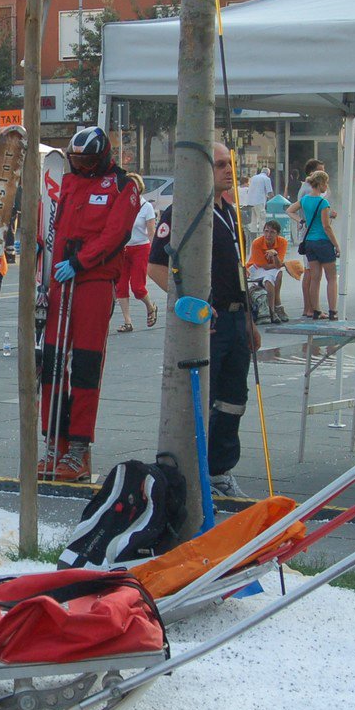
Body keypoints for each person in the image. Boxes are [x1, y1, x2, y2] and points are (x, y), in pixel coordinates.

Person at [148, 141, 260, 502]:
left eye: (231, 163)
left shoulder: (230, 211)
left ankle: (220, 471)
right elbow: (155, 268)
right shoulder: (183, 212)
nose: (229, 170)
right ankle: (195, 476)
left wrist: (249, 319)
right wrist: (191, 306)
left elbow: (239, 270)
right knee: (203, 402)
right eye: (221, 164)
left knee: (233, 399)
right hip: (206, 324)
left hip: (235, 318)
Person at [38, 126, 140, 481]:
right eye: (76, 160)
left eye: (87, 160)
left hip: (93, 281)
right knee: (49, 362)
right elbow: (51, 228)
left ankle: (79, 450)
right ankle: (54, 443)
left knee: (84, 365)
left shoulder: (123, 187)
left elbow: (117, 234)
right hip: (59, 281)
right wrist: (44, 275)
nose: (81, 166)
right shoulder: (67, 182)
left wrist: (81, 261)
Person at [289, 170, 339, 320]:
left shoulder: (304, 200)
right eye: (326, 183)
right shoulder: (323, 202)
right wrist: (336, 244)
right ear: (321, 183)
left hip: (309, 242)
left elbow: (289, 210)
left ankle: (316, 310)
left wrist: (301, 221)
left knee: (315, 277)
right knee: (331, 278)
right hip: (323, 242)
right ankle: (332, 311)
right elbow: (326, 226)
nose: (327, 187)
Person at [115, 179, 158, 333]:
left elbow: (151, 232)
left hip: (141, 248)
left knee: (138, 287)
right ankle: (127, 322)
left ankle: (150, 306)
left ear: (139, 188)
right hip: (124, 249)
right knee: (120, 286)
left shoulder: (146, 207)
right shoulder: (122, 204)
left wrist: (155, 253)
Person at [245, 220, 289, 323]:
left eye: (272, 232)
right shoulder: (257, 243)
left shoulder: (282, 242)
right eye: (266, 231)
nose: (268, 235)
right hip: (255, 268)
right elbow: (263, 266)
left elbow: (277, 265)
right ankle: (276, 307)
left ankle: (273, 309)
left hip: (271, 268)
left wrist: (275, 254)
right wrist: (280, 264)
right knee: (272, 276)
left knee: (276, 275)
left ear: (277, 234)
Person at [290, 158, 325, 243]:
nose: (323, 173)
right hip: (312, 232)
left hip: (311, 231)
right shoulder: (310, 190)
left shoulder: (308, 187)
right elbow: (314, 210)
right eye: (320, 171)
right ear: (312, 173)